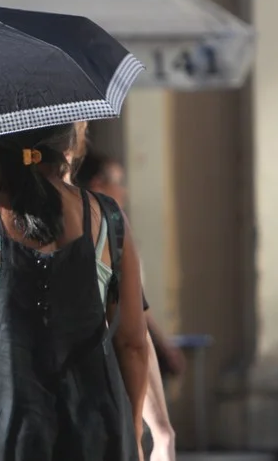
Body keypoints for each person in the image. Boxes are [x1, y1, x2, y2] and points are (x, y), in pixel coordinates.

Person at [0, 122, 148, 460]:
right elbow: (132, 344)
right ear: (68, 144)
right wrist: (134, 433)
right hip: (95, 429)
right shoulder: (109, 217)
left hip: (1, 428)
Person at [78, 151, 185, 461]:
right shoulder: (109, 225)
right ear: (98, 184)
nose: (124, 191)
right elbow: (135, 331)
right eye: (118, 183)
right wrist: (154, 431)